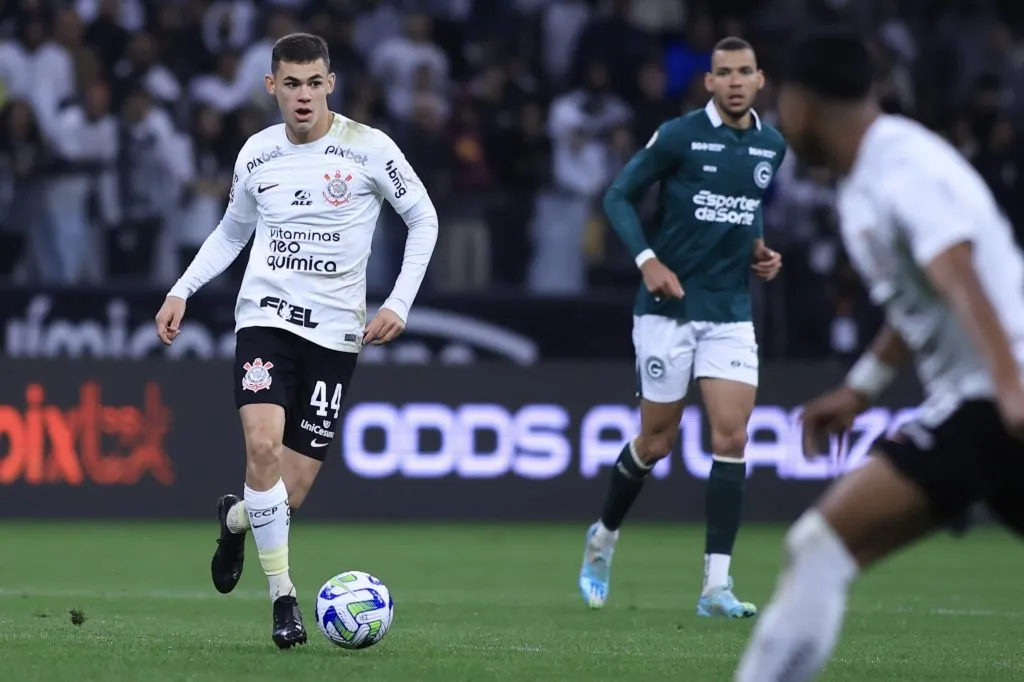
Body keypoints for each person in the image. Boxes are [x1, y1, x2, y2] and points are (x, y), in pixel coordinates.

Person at [734, 26, 1024, 681]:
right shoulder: (869, 172)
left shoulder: (900, 170)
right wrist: (862, 388)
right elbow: (923, 297)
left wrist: (1010, 388)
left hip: (991, 401)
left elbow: (958, 271)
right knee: (821, 550)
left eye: (780, 104)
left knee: (819, 548)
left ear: (801, 106)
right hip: (985, 400)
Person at [153, 33, 438, 649]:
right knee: (262, 447)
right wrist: (182, 289)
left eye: (314, 83)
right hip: (265, 321)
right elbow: (231, 234)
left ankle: (235, 520)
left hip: (335, 336)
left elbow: (423, 218)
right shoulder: (256, 154)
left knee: (288, 491)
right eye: (291, 84)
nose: (303, 96)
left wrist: (398, 304)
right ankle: (284, 600)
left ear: (330, 83)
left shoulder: (369, 149)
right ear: (271, 87)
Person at [578, 37, 787, 617]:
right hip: (666, 310)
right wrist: (648, 261)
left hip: (728, 311)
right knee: (657, 441)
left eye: (746, 71)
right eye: (725, 73)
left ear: (760, 79)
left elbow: (748, 205)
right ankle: (603, 537)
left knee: (732, 437)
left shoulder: (772, 144)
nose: (737, 81)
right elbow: (619, 195)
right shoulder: (678, 135)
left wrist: (759, 250)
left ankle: (715, 588)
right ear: (710, 83)